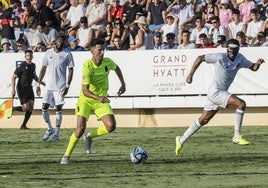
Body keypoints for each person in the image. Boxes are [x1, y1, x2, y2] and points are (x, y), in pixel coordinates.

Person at [175, 39, 265, 157]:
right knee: (241, 104)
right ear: (227, 48)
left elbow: (253, 68)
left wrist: (258, 63)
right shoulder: (219, 57)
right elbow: (200, 58)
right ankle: (237, 136)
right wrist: (190, 75)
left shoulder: (240, 59)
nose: (232, 51)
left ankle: (181, 140)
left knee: (204, 120)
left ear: (238, 49)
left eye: (234, 49)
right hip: (215, 92)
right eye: (230, 48)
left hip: (220, 93)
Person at [60, 39, 126, 164]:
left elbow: (117, 68)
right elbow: (85, 90)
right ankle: (66, 155)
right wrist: (99, 98)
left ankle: (89, 136)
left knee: (111, 126)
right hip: (86, 100)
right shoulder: (87, 66)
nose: (102, 52)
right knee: (79, 129)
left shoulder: (107, 62)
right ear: (92, 51)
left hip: (100, 100)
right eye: (99, 50)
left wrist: (123, 84)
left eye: (103, 49)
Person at [36, 36, 74, 142]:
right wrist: (39, 84)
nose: (61, 44)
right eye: (59, 42)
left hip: (60, 87)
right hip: (49, 86)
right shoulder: (48, 53)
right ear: (55, 42)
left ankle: (57, 134)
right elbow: (43, 68)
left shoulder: (67, 54)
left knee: (58, 109)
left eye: (62, 42)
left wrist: (67, 86)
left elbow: (71, 70)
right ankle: (49, 129)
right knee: (44, 107)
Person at [11, 50, 44, 129]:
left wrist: (42, 83)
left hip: (29, 88)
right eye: (27, 56)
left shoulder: (33, 65)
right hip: (21, 88)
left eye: (30, 56)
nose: (29, 57)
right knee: (26, 108)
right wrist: (13, 89)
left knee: (31, 107)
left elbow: (34, 76)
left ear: (32, 56)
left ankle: (23, 125)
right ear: (25, 57)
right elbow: (13, 77)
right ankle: (13, 109)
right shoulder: (22, 66)